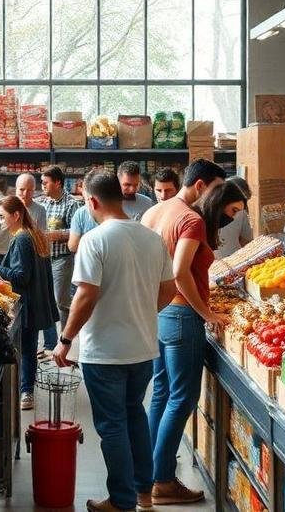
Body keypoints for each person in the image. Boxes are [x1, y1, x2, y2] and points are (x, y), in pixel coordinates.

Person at [51, 171, 176, 512]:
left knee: (112, 426)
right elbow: (170, 289)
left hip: (105, 351)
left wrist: (65, 339)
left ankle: (121, 501)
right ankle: (143, 492)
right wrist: (140, 309)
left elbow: (85, 295)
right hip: (143, 347)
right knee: (135, 414)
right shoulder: (152, 238)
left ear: (91, 201)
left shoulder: (95, 240)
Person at [141, 163, 246, 505]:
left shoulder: (157, 211)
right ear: (202, 186)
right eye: (217, 189)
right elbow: (180, 271)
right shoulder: (192, 219)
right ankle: (164, 481)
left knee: (162, 392)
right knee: (182, 398)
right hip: (184, 316)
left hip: (159, 312)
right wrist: (207, 312)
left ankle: (153, 470)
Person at [0, 196, 57, 411]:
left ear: (16, 215)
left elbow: (20, 277)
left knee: (27, 349)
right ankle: (27, 388)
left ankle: (26, 391)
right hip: (36, 303)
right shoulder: (34, 234)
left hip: (27, 304)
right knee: (29, 348)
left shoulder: (22, 239)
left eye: (2, 217)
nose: (0, 222)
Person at [36, 166, 80, 349]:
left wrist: (56, 234)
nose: (43, 185)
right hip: (43, 258)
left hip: (62, 258)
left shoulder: (71, 203)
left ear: (58, 182)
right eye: (42, 182)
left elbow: (76, 230)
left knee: (60, 301)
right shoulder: (41, 203)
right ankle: (49, 344)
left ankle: (65, 340)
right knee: (45, 300)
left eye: (46, 182)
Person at [215, 176, 254, 260]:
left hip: (214, 264)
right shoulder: (241, 212)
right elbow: (246, 241)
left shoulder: (207, 208)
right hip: (234, 260)